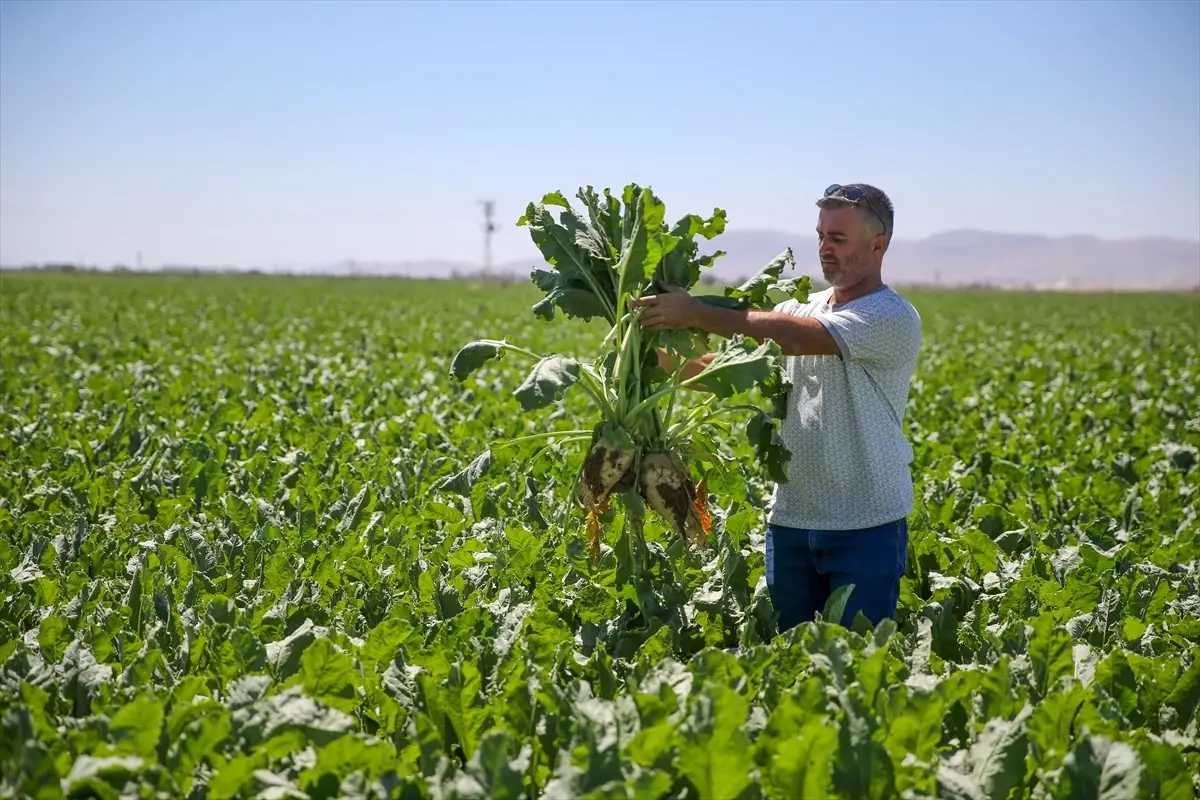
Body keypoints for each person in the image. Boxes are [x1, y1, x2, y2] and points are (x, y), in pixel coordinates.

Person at [628, 183, 922, 632]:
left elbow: (797, 336)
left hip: (866, 523)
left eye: (838, 239)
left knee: (859, 664)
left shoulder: (890, 316)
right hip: (791, 520)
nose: (824, 248)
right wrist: (651, 352)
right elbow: (724, 369)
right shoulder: (797, 310)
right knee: (782, 658)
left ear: (878, 245)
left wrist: (693, 312)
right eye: (821, 235)